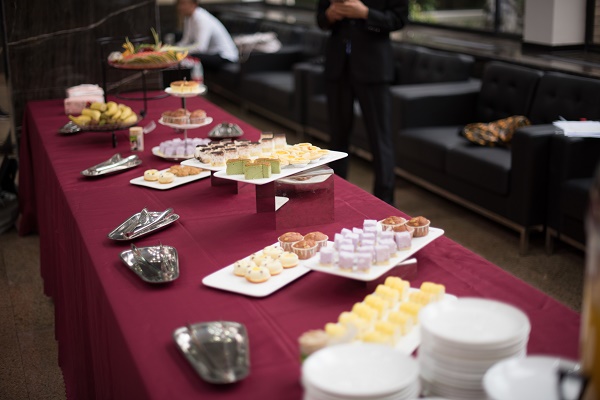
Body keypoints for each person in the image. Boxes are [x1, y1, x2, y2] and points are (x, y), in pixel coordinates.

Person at [317, 0, 408, 205]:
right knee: (337, 137)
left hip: (374, 67)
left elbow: (399, 19)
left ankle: (385, 204)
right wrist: (330, 15)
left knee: (380, 139)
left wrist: (365, 13)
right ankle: (336, 197)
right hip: (338, 66)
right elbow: (320, 19)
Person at [175, 0, 239, 71]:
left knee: (189, 58)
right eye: (179, 4)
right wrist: (173, 50)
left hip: (224, 57)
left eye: (183, 4)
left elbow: (200, 48)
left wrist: (180, 52)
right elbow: (185, 41)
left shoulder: (201, 18)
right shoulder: (189, 18)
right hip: (211, 54)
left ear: (194, 4)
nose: (179, 7)